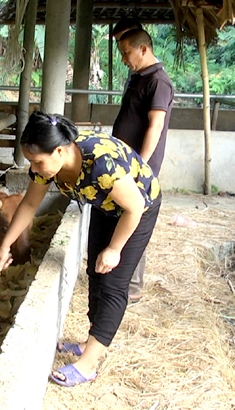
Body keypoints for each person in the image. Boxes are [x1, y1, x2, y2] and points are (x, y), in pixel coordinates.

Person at [0, 111, 162, 387]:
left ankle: (88, 364)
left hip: (138, 208)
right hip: (106, 206)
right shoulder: (50, 165)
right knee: (95, 273)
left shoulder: (100, 164)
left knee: (113, 284)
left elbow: (135, 207)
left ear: (59, 151)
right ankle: (90, 342)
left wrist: (115, 248)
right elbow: (28, 205)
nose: (33, 169)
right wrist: (5, 244)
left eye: (37, 162)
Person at [114, 28, 174, 303]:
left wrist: (139, 165)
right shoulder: (140, 78)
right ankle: (119, 276)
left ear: (143, 49)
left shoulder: (159, 82)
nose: (124, 59)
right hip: (125, 164)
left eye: (126, 53)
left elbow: (156, 126)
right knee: (122, 215)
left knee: (135, 218)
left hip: (137, 168)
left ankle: (132, 286)